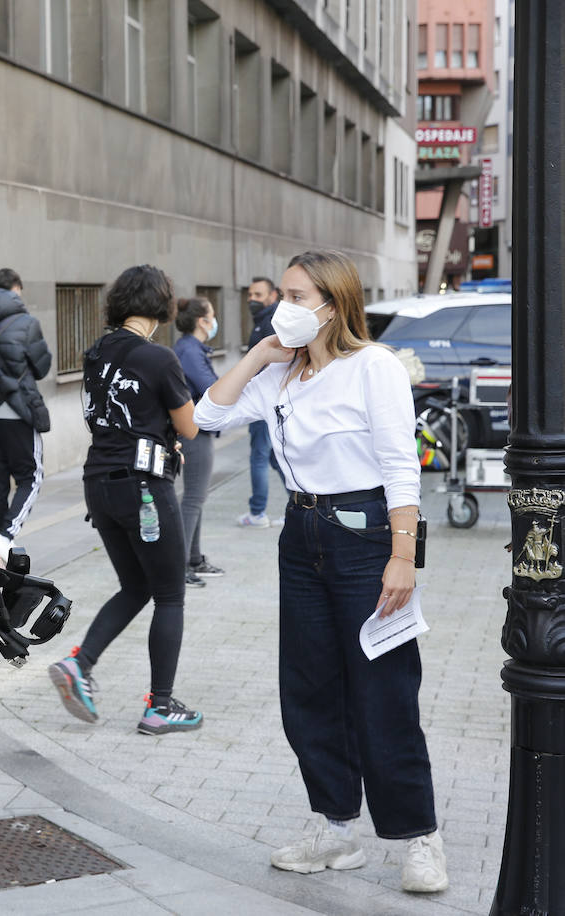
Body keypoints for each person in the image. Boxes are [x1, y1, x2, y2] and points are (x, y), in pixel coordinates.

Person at [193, 250, 448, 893]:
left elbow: (400, 466)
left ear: (334, 306)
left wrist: (402, 556)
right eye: (282, 294)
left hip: (364, 534)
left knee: (383, 687)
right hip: (301, 533)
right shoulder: (283, 374)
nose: (285, 306)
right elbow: (208, 416)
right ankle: (335, 826)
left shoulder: (373, 367)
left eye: (298, 297)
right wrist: (258, 355)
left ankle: (420, 835)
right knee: (308, 688)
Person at [47, 265, 204, 736]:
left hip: (99, 484)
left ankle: (80, 664)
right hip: (144, 487)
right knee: (171, 595)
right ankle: (160, 706)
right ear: (161, 305)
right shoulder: (159, 358)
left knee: (136, 586)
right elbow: (190, 426)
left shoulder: (96, 354)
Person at [0, 268, 52, 560]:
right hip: (19, 413)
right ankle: (4, 536)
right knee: (30, 477)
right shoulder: (27, 323)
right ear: (16, 289)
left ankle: (0, 546)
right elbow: (42, 368)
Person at [172, 298, 224, 588]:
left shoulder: (191, 348)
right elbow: (212, 389)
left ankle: (193, 559)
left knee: (196, 497)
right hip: (193, 431)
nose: (214, 321)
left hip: (196, 430)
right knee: (193, 498)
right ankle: (179, 568)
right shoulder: (189, 350)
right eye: (212, 315)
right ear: (202, 321)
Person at [240, 276, 283, 528]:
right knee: (274, 457)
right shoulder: (263, 321)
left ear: (272, 295)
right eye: (249, 295)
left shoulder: (271, 323)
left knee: (259, 455)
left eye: (258, 295)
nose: (252, 300)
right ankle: (296, 503)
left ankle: (257, 513)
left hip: (264, 402)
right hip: (267, 402)